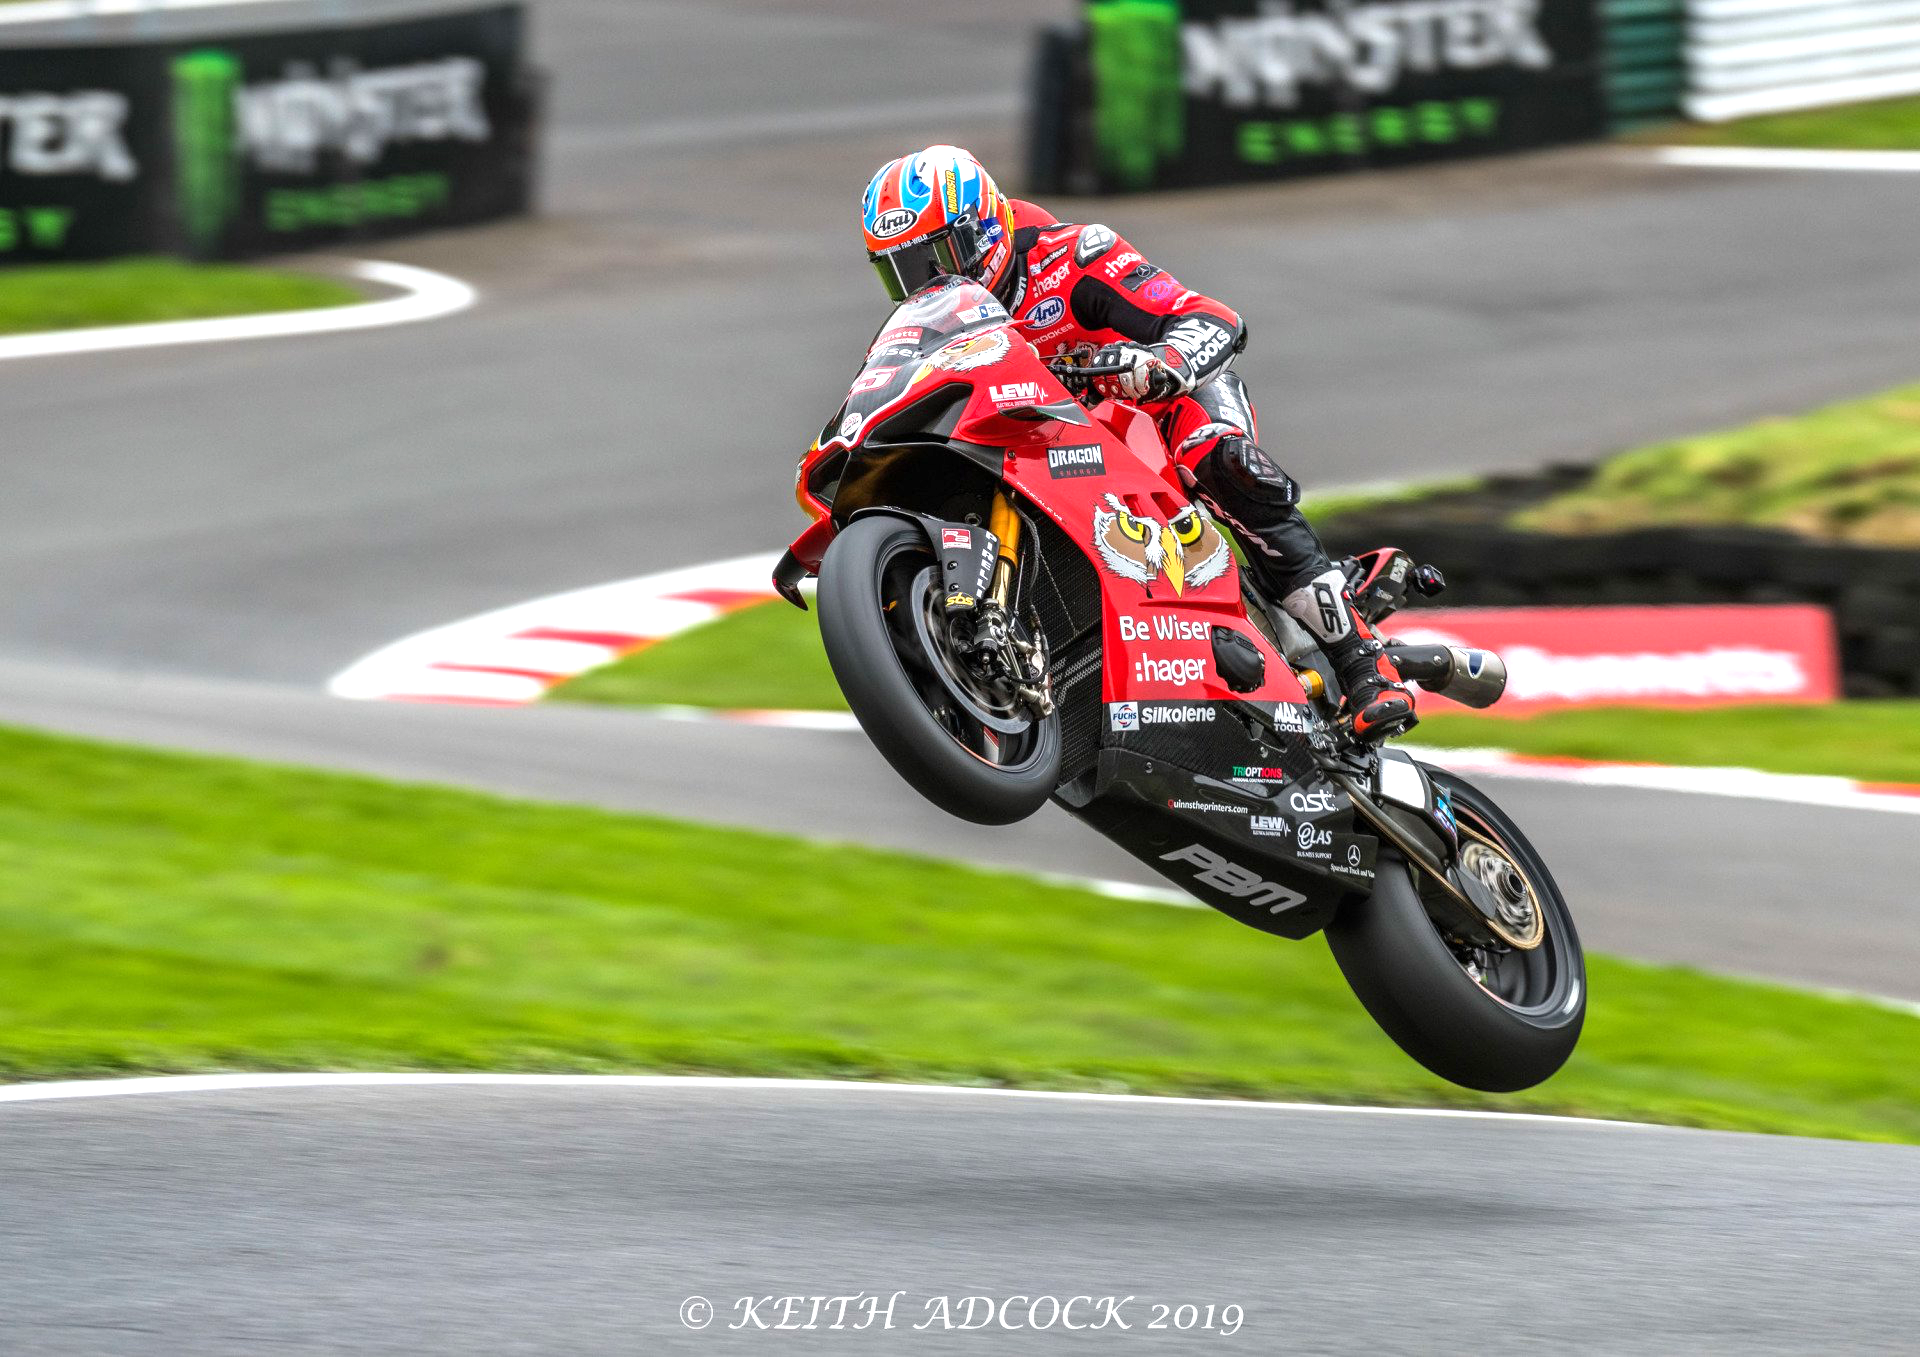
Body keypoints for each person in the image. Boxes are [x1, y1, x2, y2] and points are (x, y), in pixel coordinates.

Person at [859, 145, 1415, 741]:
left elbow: (1213, 318)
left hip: (1151, 407)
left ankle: (1364, 664)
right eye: (904, 271)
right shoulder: (927, 326)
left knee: (1221, 458)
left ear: (987, 228)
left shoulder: (1072, 256)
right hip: (1051, 452)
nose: (928, 283)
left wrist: (1163, 362)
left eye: (938, 259)